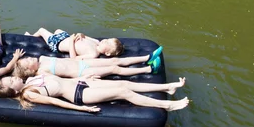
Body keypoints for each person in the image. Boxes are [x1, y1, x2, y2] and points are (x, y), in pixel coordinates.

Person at [0, 74, 189, 112]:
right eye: (12, 81)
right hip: (80, 96)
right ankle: (168, 105)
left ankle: (167, 87)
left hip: (82, 83)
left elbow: (64, 79)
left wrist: (88, 79)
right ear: (15, 90)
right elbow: (56, 102)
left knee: (124, 82)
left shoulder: (30, 79)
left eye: (11, 77)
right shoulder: (29, 93)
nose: (14, 77)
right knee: (124, 91)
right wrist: (81, 109)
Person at [12, 48, 164, 79]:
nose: (31, 58)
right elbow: (62, 81)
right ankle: (149, 69)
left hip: (82, 63)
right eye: (28, 61)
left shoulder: (43, 59)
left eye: (29, 57)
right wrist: (83, 80)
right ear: (29, 71)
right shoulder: (41, 73)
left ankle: (147, 56)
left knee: (113, 60)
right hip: (81, 73)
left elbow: (67, 60)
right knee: (113, 68)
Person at [25, 28, 125, 59]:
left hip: (57, 44)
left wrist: (72, 41)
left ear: (107, 53)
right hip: (66, 37)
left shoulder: (93, 54)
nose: (104, 40)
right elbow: (84, 36)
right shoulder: (97, 42)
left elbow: (73, 59)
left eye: (107, 42)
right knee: (58, 30)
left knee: (42, 30)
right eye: (107, 39)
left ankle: (29, 37)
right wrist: (80, 35)